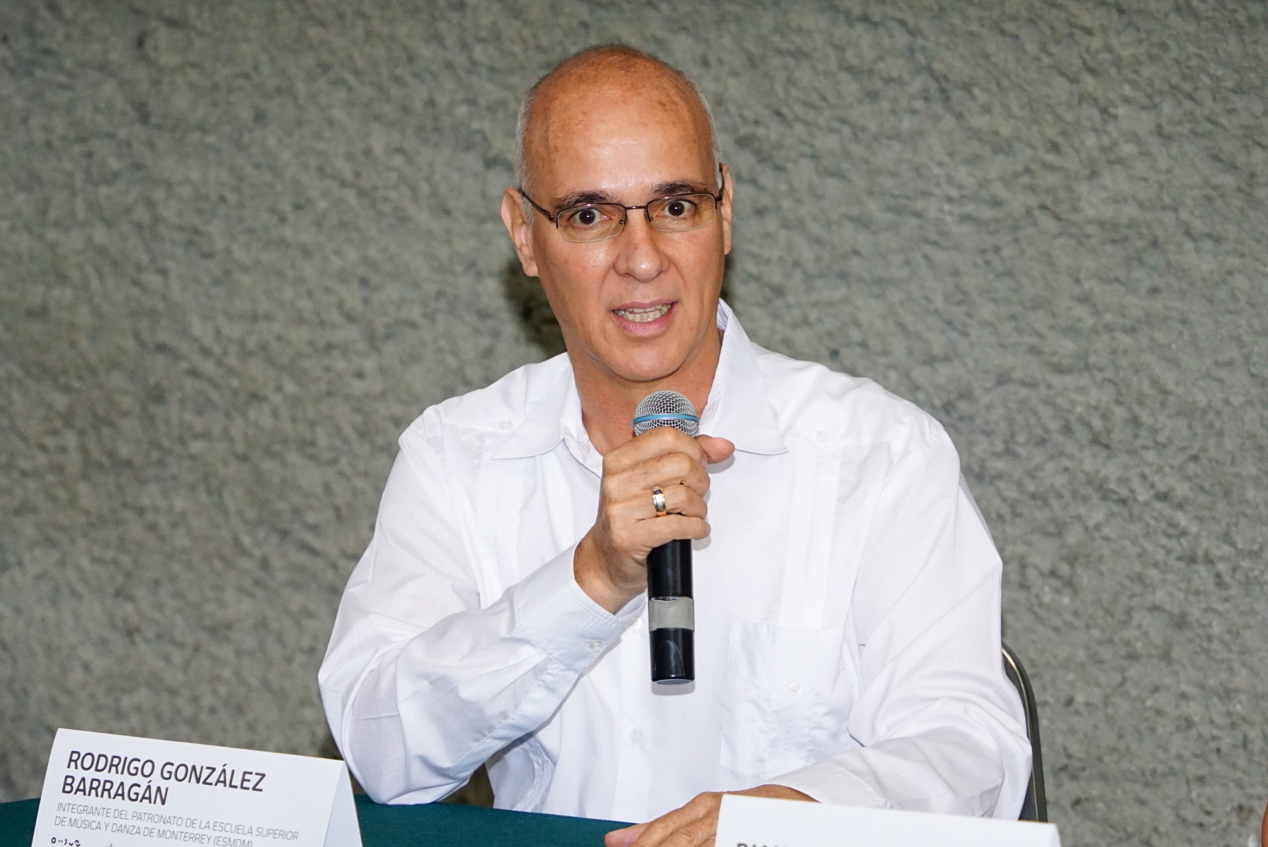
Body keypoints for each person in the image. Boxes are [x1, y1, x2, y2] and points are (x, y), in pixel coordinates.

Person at [318, 45, 1032, 846]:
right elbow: (382, 752)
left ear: (725, 213)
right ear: (524, 235)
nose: (642, 258)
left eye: (676, 205)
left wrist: (784, 820)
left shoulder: (881, 455)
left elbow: (972, 753)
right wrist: (590, 577)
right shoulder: (457, 456)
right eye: (589, 216)